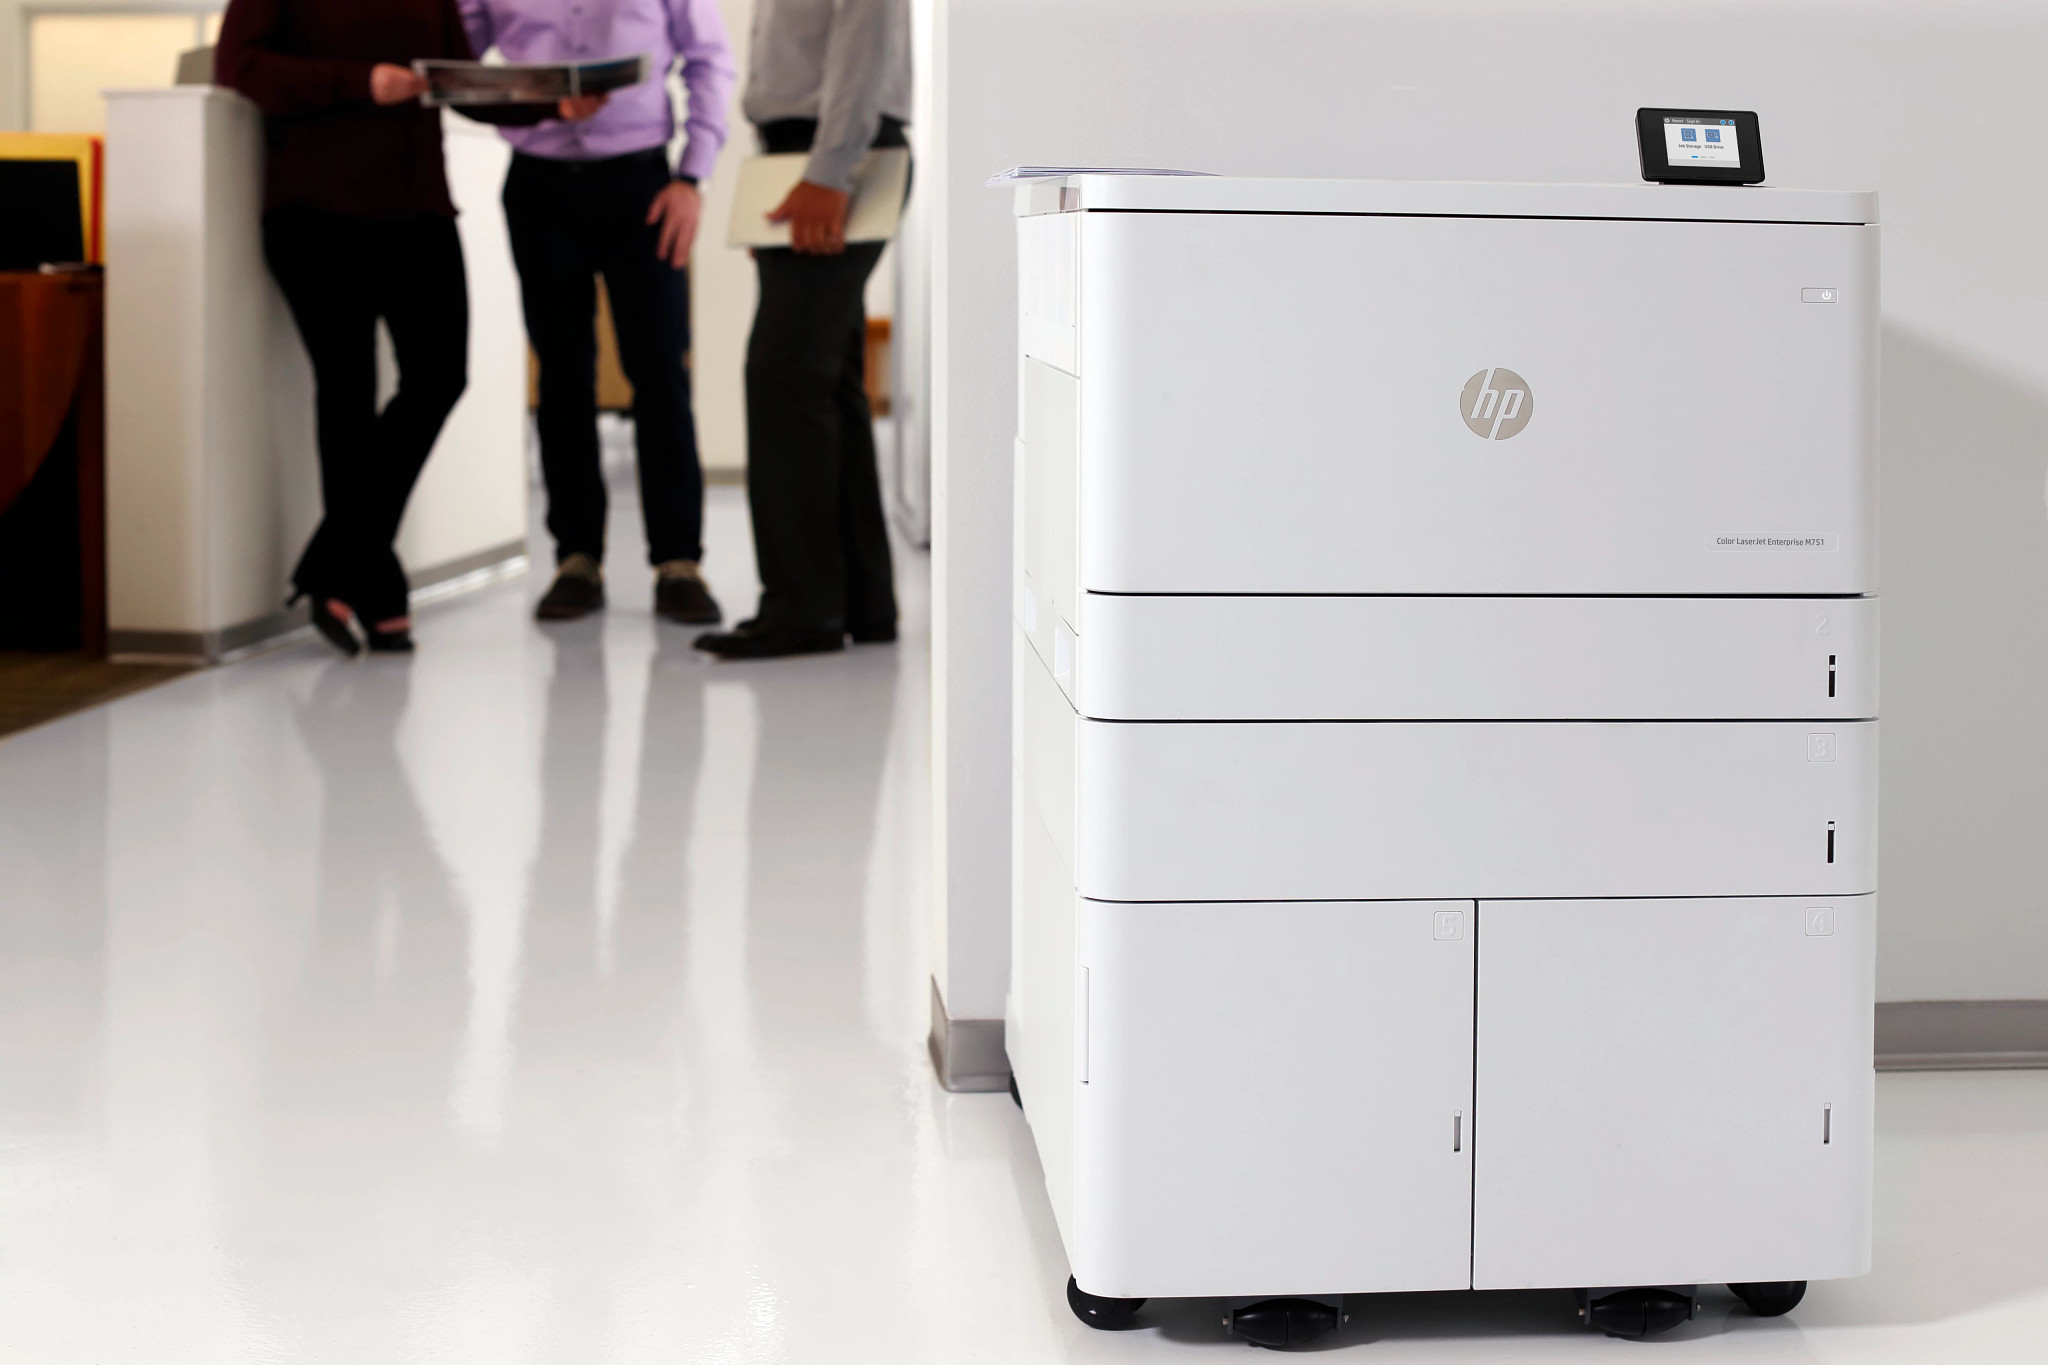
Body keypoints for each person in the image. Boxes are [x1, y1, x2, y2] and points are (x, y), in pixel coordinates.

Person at [214, 0, 550, 656]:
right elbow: (241, 67)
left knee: (440, 377)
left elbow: (456, 80)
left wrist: (548, 104)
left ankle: (334, 568)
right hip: (314, 213)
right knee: (347, 390)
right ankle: (377, 592)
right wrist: (360, 82)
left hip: (415, 209)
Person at [457, 0, 734, 627]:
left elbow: (709, 60)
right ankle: (576, 559)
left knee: (660, 370)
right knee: (561, 375)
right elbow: (458, 66)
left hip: (642, 185)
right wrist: (529, 99)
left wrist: (693, 176)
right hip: (539, 186)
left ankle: (678, 562)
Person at [691, 0, 910, 660]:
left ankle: (803, 609)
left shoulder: (831, 162)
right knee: (826, 381)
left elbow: (865, 42)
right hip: (806, 156)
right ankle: (862, 602)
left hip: (837, 155)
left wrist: (826, 174)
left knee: (784, 379)